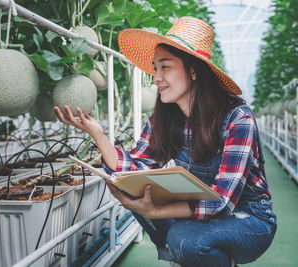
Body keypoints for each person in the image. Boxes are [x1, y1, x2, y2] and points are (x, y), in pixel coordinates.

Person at [53, 16, 276, 267]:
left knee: (185, 239)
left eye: (165, 67)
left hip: (248, 218)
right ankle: (187, 257)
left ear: (193, 70)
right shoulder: (164, 119)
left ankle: (196, 253)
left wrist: (156, 212)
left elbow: (222, 202)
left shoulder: (237, 118)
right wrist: (98, 134)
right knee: (133, 188)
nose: (156, 77)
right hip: (202, 213)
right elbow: (133, 167)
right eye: (155, 67)